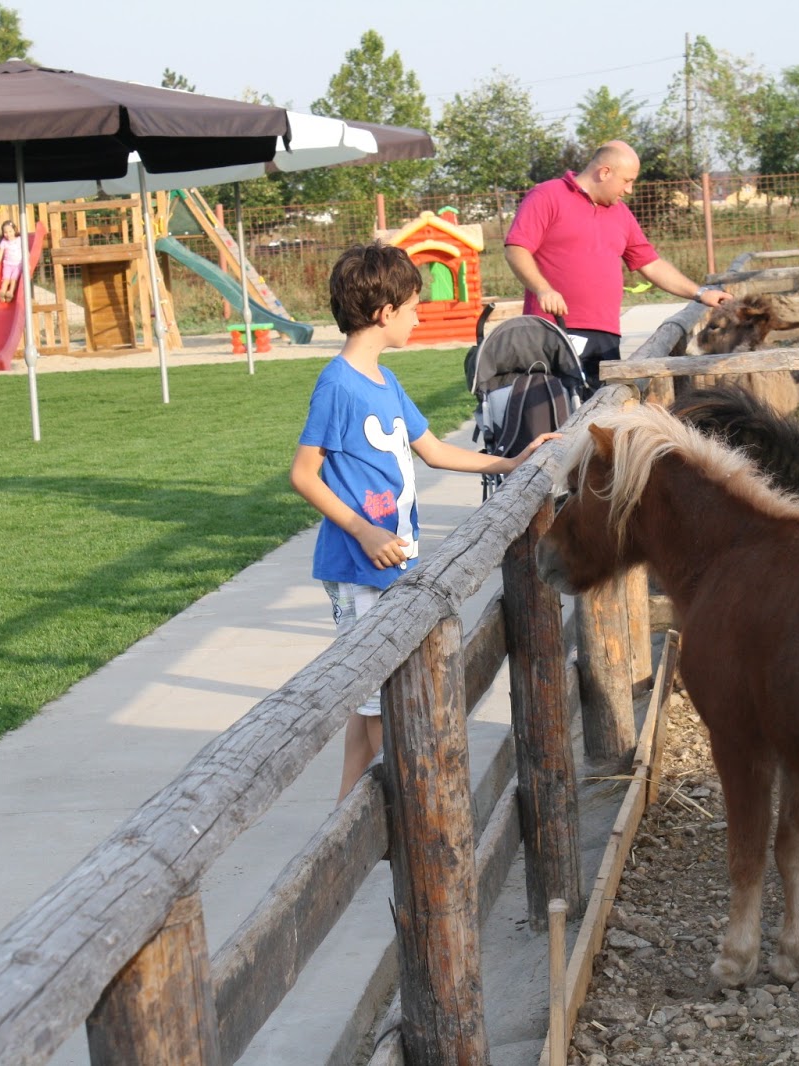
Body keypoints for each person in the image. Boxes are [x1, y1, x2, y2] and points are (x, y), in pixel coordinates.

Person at [291, 243, 558, 802]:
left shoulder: (387, 384)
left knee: (372, 696)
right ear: (386, 313)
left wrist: (510, 462)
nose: (418, 316)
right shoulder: (338, 385)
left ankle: (349, 814)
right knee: (378, 696)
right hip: (359, 563)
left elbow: (434, 451)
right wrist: (363, 530)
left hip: (393, 558)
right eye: (414, 307)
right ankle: (380, 811)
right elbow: (304, 475)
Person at [504, 140, 733, 387]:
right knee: (556, 414)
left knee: (600, 413)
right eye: (627, 181)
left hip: (606, 335)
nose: (629, 190)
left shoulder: (620, 213)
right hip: (553, 330)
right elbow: (517, 248)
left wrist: (701, 293)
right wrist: (543, 289)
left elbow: (652, 265)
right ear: (605, 172)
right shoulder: (547, 195)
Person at [0, 220, 24, 303]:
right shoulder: (4, 242)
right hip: (7, 264)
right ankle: (2, 291)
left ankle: (10, 292)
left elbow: (26, 251)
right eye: (5, 232)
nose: (8, 234)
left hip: (18, 264)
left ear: (15, 230)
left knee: (13, 279)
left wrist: (28, 262)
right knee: (6, 279)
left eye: (10, 231)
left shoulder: (19, 240)